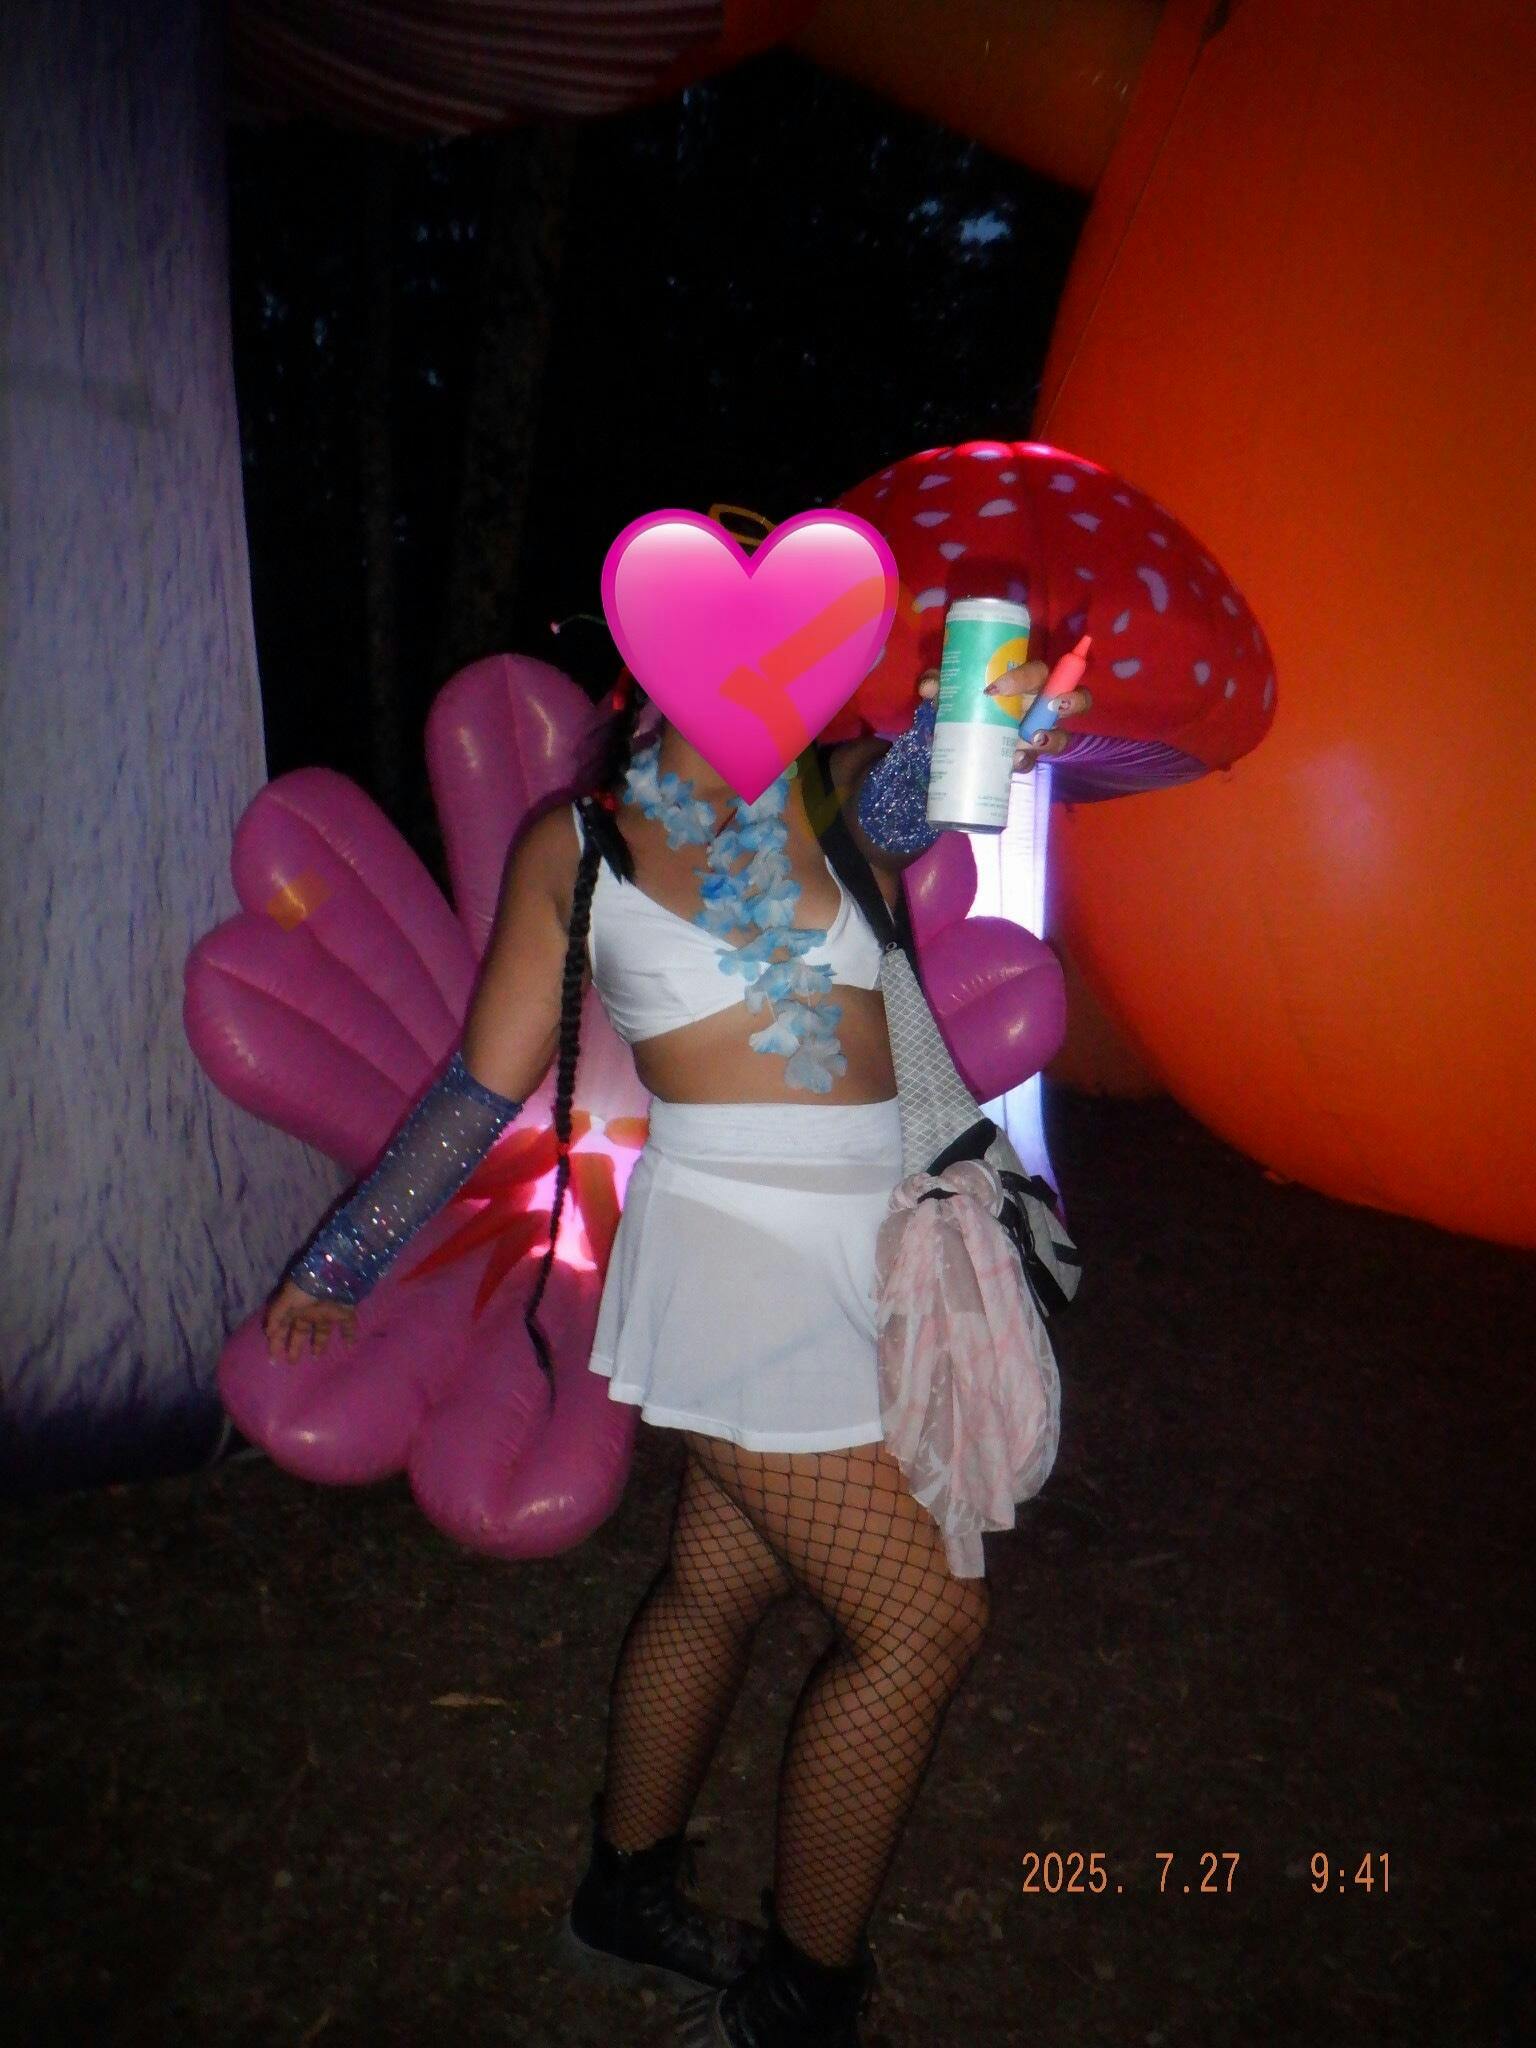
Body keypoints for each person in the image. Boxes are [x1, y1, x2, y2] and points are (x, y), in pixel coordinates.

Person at [263, 575, 1091, 2047]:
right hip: (731, 1267)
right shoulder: (576, 844)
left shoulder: (843, 795)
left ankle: (623, 1897)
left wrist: (1000, 723)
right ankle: (801, 2001)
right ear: (653, 662)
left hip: (869, 1253)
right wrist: (341, 1260)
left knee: (717, 1586)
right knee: (923, 1626)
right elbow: (479, 1086)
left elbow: (927, 783)